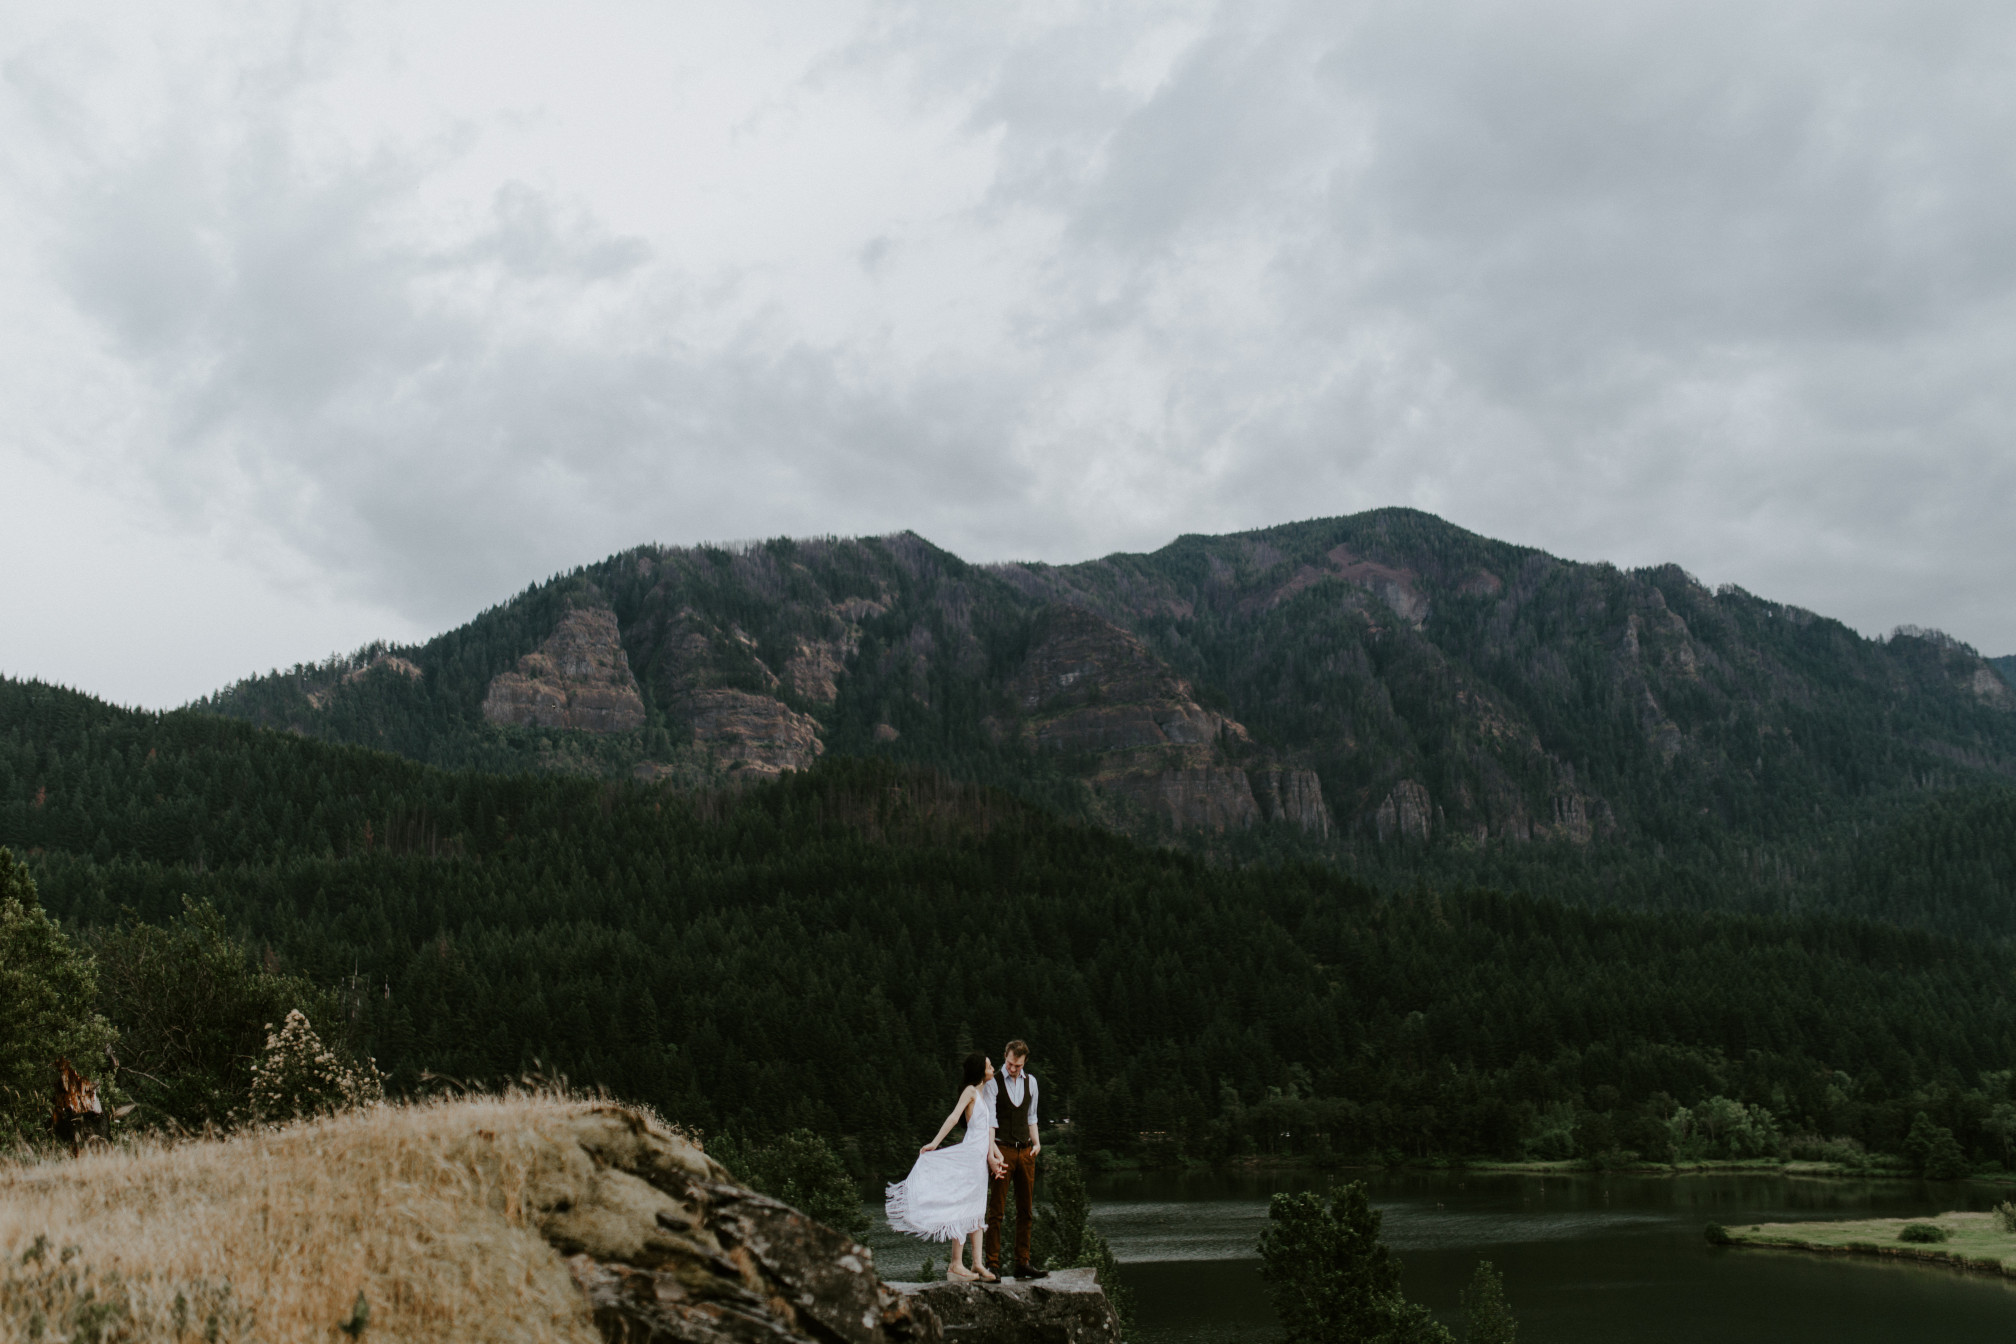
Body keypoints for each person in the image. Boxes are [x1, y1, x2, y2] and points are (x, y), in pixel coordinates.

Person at [886, 1053, 1007, 1282]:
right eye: (990, 1066)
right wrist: (935, 1142)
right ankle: (955, 1265)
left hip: (979, 1163)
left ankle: (978, 1264)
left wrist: (996, 1155)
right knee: (962, 1206)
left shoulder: (982, 1094)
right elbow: (953, 1117)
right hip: (969, 1158)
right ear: (981, 1071)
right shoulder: (971, 1091)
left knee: (977, 1210)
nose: (993, 1069)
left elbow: (987, 1134)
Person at [985, 1039, 1050, 1280]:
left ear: (1024, 1063)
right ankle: (993, 1264)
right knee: (996, 1211)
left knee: (1026, 1210)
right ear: (1005, 1057)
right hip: (1003, 1150)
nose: (1014, 1069)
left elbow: (1032, 1116)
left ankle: (1022, 1263)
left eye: (1018, 1066)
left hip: (1026, 1151)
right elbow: (990, 1120)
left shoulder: (1031, 1082)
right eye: (1011, 1064)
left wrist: (1038, 1143)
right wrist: (992, 1151)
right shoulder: (993, 1082)